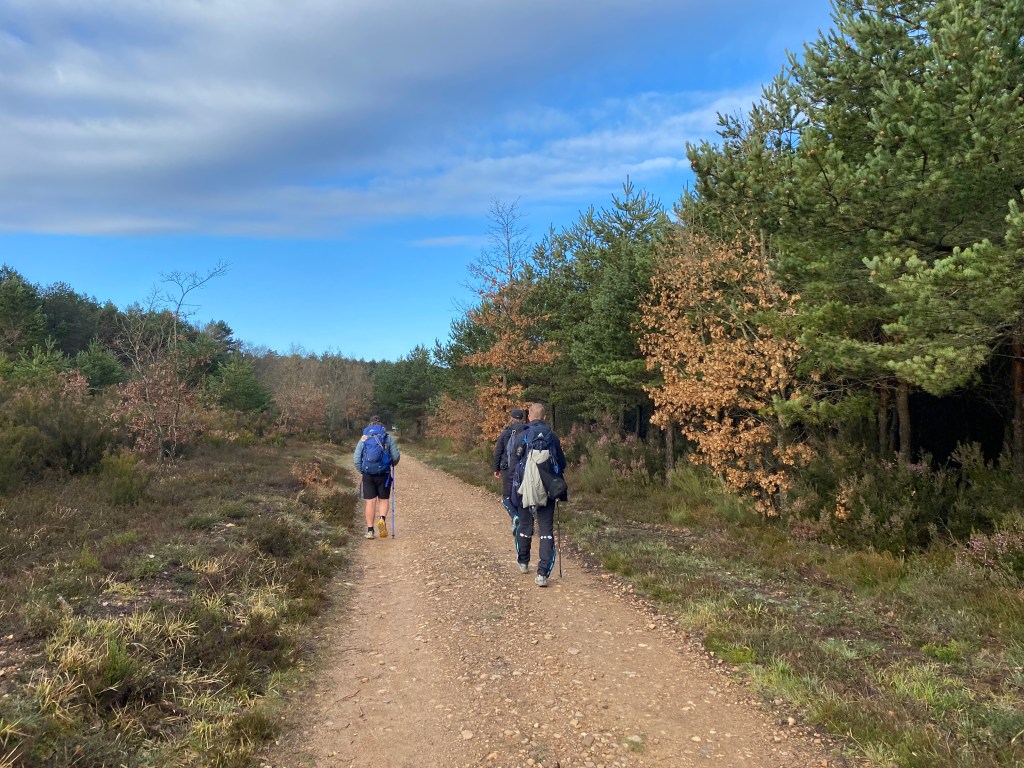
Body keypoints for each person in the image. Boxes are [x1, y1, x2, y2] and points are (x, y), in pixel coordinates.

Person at [509, 403, 568, 587]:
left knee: (525, 524)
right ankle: (542, 574)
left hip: (526, 486)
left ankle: (523, 562)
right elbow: (562, 463)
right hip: (548, 487)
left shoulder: (522, 435)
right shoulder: (552, 436)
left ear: (529, 417)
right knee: (546, 529)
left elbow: (513, 462)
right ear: (544, 417)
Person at [353, 416, 400, 539]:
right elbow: (396, 457)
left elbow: (356, 459)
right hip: (384, 474)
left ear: (370, 425)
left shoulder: (364, 438)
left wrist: (362, 470)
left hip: (368, 474)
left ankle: (370, 530)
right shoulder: (387, 437)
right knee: (383, 499)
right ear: (381, 425)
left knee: (370, 502)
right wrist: (390, 464)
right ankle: (382, 519)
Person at [493, 407, 528, 527]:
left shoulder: (506, 433)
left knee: (506, 497)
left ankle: (514, 516)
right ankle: (523, 522)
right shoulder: (527, 431)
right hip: (524, 469)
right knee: (521, 495)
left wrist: (496, 469)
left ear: (511, 418)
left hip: (508, 469)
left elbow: (498, 452)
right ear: (522, 419)